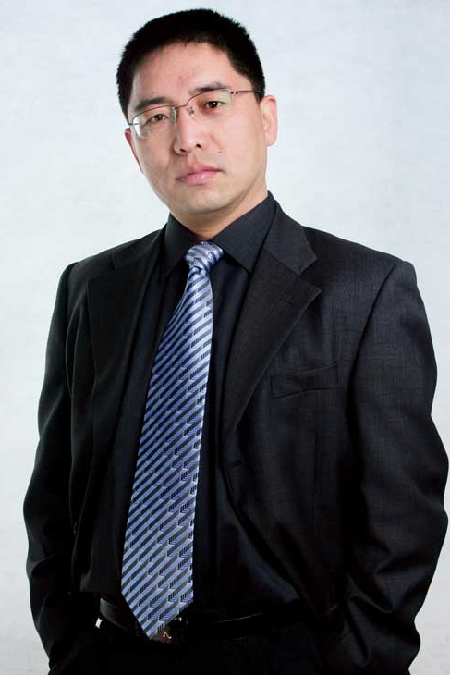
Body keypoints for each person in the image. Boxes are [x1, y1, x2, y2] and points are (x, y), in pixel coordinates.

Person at [23, 8, 448, 675]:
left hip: (288, 655)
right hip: (113, 653)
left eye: (211, 103)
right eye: (156, 116)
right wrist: (70, 644)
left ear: (266, 118)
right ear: (134, 146)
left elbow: (405, 519)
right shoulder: (91, 290)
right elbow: (54, 496)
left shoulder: (364, 291)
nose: (186, 137)